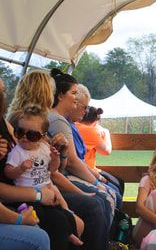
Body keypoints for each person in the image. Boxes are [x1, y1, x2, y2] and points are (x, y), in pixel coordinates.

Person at [6, 69, 112, 250]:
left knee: (96, 202)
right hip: (27, 192)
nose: (53, 96)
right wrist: (84, 191)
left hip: (45, 185)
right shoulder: (23, 123)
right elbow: (52, 171)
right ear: (44, 92)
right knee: (93, 206)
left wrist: (61, 152)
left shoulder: (40, 122)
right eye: (51, 91)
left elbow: (53, 167)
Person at [5, 104, 84, 246]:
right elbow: (8, 173)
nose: (24, 138)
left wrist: (55, 159)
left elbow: (52, 170)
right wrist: (20, 169)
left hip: (48, 192)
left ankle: (68, 232)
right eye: (20, 132)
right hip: (27, 197)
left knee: (63, 216)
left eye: (32, 135)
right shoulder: (17, 152)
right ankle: (67, 234)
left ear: (42, 137)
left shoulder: (44, 148)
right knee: (51, 220)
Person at [0, 77, 50, 250]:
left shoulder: (3, 122)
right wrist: (37, 196)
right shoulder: (16, 119)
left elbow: (50, 165)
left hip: (22, 194)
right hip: (18, 195)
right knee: (40, 237)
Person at [70, 84, 122, 209]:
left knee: (117, 183)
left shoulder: (76, 126)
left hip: (86, 169)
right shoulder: (89, 131)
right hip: (87, 170)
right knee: (117, 187)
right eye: (83, 107)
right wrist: (107, 133)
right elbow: (106, 151)